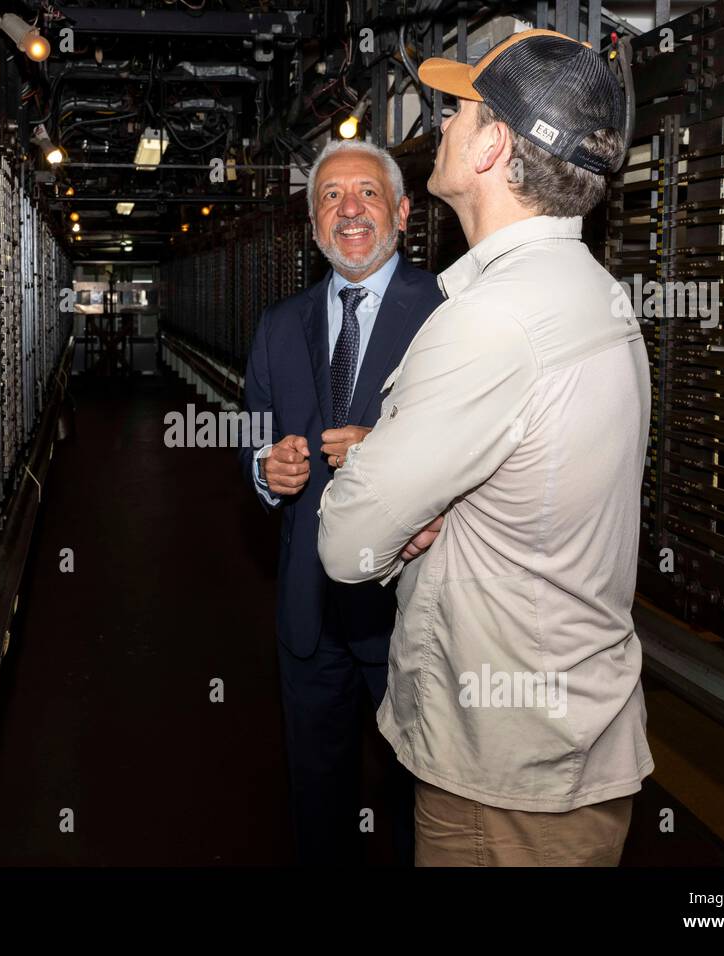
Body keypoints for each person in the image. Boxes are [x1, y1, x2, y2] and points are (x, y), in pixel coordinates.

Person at [317, 28, 654, 866]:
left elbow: (347, 542)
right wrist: (435, 504)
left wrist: (404, 504)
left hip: (505, 778)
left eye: (460, 112)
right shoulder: (595, 297)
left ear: (495, 144)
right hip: (567, 751)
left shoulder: (490, 323)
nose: (444, 127)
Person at [239, 138, 444, 864]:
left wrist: (384, 455)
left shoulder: (448, 313)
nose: (349, 209)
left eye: (366, 191)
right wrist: (267, 469)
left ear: (402, 210)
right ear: (313, 222)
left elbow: (477, 454)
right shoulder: (276, 326)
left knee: (413, 799)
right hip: (308, 612)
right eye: (330, 196)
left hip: (407, 612)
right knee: (317, 795)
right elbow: (252, 435)